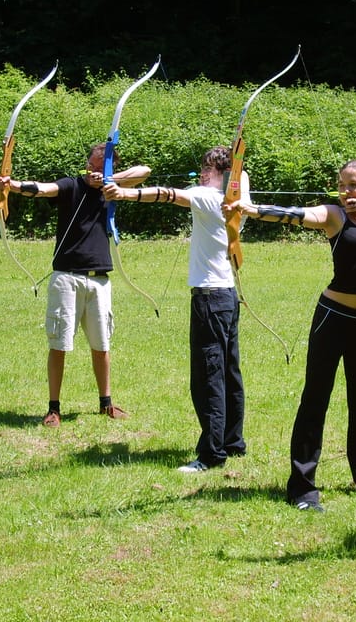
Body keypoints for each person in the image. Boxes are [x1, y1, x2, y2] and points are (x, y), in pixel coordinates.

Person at [226, 159, 356, 512]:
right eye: (341, 185)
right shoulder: (334, 216)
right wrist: (250, 208)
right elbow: (294, 214)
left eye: (353, 185)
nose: (345, 192)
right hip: (333, 317)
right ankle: (302, 487)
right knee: (316, 399)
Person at [103, 145, 250, 473]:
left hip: (211, 299)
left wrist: (124, 196)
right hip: (226, 296)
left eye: (208, 169)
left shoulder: (212, 197)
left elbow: (168, 194)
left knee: (207, 377)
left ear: (222, 174)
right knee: (228, 372)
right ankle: (232, 441)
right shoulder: (238, 199)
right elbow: (239, 179)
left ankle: (212, 454)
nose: (202, 174)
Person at [0, 142, 150, 427]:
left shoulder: (111, 190)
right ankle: (54, 408)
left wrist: (111, 179)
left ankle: (106, 403)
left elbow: (145, 171)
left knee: (102, 345)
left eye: (99, 166)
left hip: (99, 280)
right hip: (67, 278)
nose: (92, 171)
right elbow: (42, 189)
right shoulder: (71, 185)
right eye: (90, 165)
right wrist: (12, 185)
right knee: (60, 344)